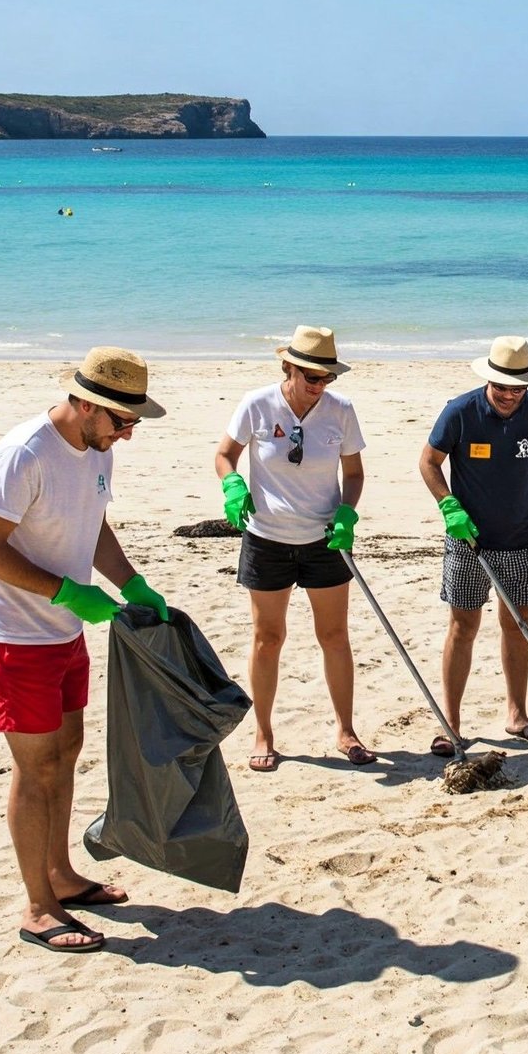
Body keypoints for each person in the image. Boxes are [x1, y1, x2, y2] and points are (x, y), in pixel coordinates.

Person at [0, 347, 169, 954]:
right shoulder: (26, 453)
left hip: (62, 630)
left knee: (68, 750)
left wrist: (130, 582)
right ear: (84, 404)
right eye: (122, 421)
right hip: (10, 634)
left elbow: (93, 524)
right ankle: (37, 908)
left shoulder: (97, 448)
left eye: (133, 421)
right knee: (37, 767)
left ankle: (59, 874)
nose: (128, 434)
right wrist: (67, 592)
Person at [214, 325, 370, 773]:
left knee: (334, 636)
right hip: (267, 539)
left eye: (327, 378)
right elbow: (224, 455)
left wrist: (347, 512)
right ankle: (263, 732)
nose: (320, 385)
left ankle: (346, 729)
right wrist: (232, 484)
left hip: (325, 539)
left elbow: (354, 474)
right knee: (268, 638)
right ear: (289, 368)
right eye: (312, 377)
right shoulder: (257, 404)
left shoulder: (341, 410)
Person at [418, 336, 528, 755]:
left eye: (517, 388)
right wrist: (448, 505)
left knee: (518, 625)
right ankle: (450, 723)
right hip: (468, 541)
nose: (508, 395)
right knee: (463, 626)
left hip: (523, 538)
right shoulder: (460, 411)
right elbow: (428, 461)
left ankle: (517, 715)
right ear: (488, 380)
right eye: (501, 386)